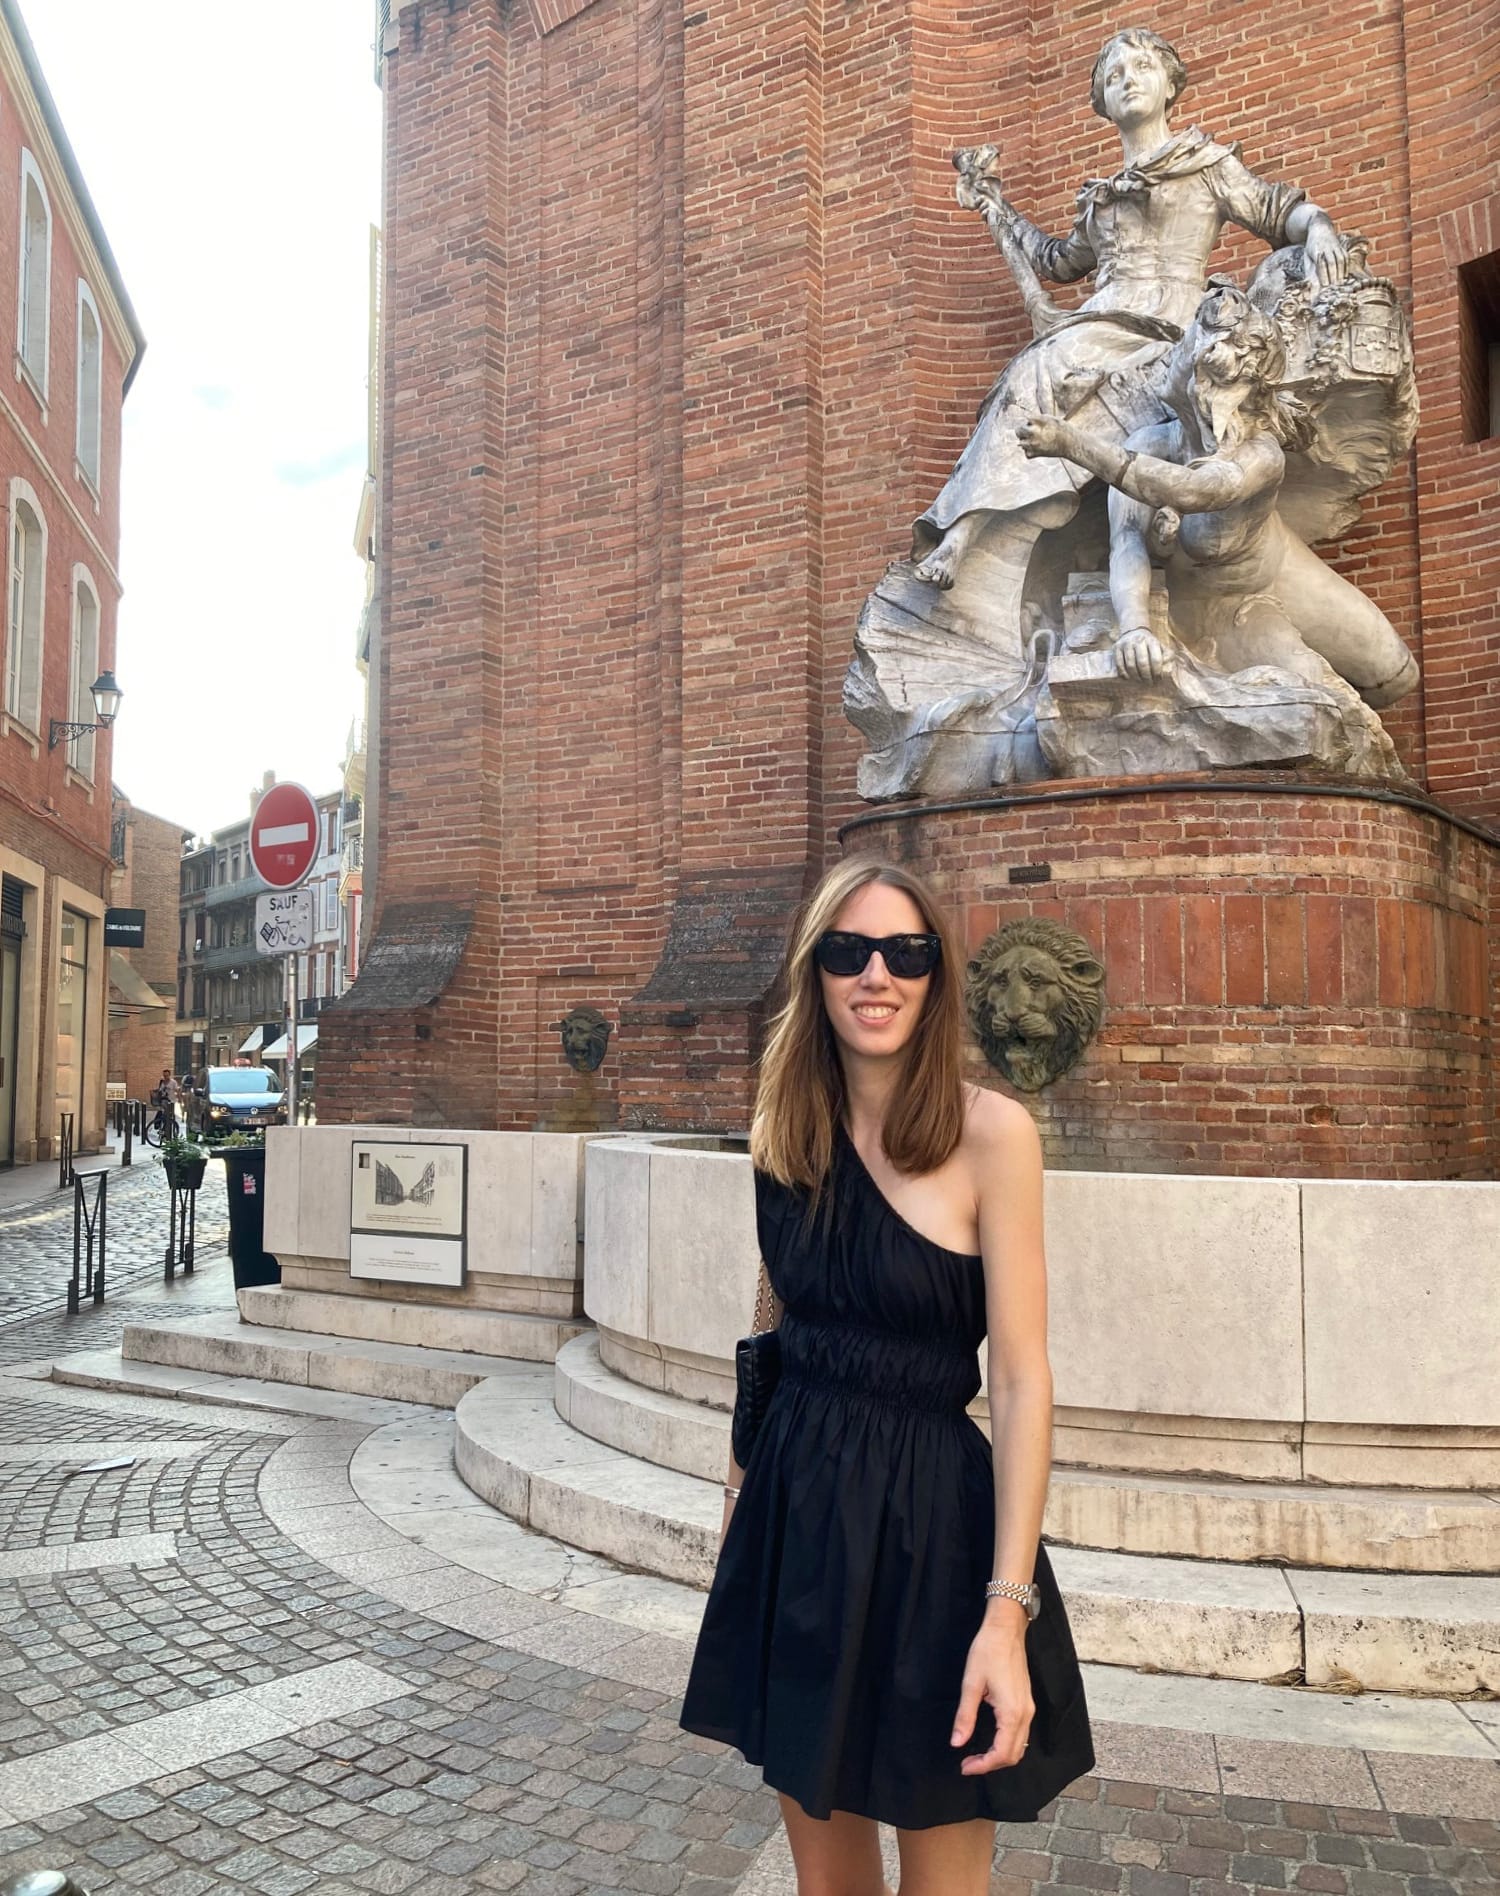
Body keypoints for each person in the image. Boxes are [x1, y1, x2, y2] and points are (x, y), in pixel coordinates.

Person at [678, 859, 1092, 1896]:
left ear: (936, 975)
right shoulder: (784, 1129)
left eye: (906, 953)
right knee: (829, 1886)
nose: (877, 976)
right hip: (797, 1519)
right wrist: (736, 1505)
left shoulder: (993, 1134)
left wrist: (1008, 1612)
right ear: (814, 972)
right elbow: (771, 1325)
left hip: (932, 1538)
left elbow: (1023, 1381)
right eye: (848, 951)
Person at [911, 27, 1351, 592]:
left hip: (1171, 327)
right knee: (1027, 374)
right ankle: (961, 533)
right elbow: (1057, 261)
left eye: (1142, 68)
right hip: (1098, 320)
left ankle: (1090, 523)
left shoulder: (1206, 165)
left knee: (1067, 372)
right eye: (1114, 76)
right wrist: (997, 208)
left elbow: (1276, 210)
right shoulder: (1101, 197)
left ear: (1170, 86)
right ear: (1103, 102)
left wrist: (1320, 228)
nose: (1128, 81)